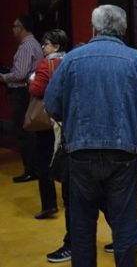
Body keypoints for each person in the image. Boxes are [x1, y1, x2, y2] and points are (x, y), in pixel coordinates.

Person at [45, 5, 137, 267]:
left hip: (80, 152)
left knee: (82, 225)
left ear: (93, 28)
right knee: (125, 222)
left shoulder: (71, 60)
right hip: (124, 154)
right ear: (123, 29)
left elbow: (51, 103)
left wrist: (73, 122)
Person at [27, 29, 68, 220]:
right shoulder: (70, 61)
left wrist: (31, 80)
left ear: (56, 46)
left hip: (48, 119)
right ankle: (69, 199)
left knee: (43, 160)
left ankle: (49, 204)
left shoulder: (46, 64)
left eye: (46, 43)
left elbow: (37, 90)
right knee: (65, 157)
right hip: (67, 118)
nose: (43, 47)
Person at [0, 16, 43, 182]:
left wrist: (4, 77)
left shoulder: (26, 46)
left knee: (24, 132)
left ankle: (31, 170)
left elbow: (19, 74)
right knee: (29, 132)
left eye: (15, 26)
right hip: (27, 91)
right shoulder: (33, 44)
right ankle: (35, 168)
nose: (13, 29)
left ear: (22, 28)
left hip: (21, 92)